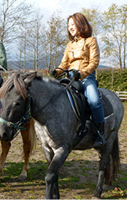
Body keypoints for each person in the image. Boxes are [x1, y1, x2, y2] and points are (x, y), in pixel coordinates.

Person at [51, 13, 106, 148]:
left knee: (94, 100)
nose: (70, 28)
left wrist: (82, 74)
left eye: (72, 24)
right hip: (69, 78)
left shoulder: (91, 41)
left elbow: (94, 62)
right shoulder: (70, 45)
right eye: (68, 25)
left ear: (81, 24)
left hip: (86, 78)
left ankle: (99, 132)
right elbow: (64, 64)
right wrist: (56, 72)